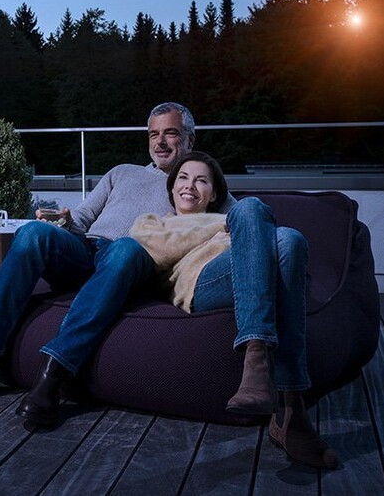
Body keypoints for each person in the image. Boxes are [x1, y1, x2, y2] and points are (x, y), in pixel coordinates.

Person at [0, 102, 232, 427]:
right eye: (154, 134)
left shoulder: (197, 184)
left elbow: (239, 220)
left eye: (170, 133)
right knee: (33, 233)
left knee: (125, 247)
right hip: (87, 250)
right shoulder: (121, 173)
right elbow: (81, 219)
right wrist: (63, 221)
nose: (160, 142)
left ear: (190, 139)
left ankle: (53, 373)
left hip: (132, 262)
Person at [129, 151, 339, 470]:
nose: (189, 186)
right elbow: (157, 249)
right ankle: (281, 396)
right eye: (183, 178)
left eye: (201, 180)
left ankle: (281, 399)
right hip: (198, 283)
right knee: (251, 208)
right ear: (171, 188)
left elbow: (259, 251)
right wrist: (228, 225)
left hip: (246, 276)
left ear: (214, 194)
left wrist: (239, 227)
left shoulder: (235, 222)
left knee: (291, 240)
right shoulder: (153, 222)